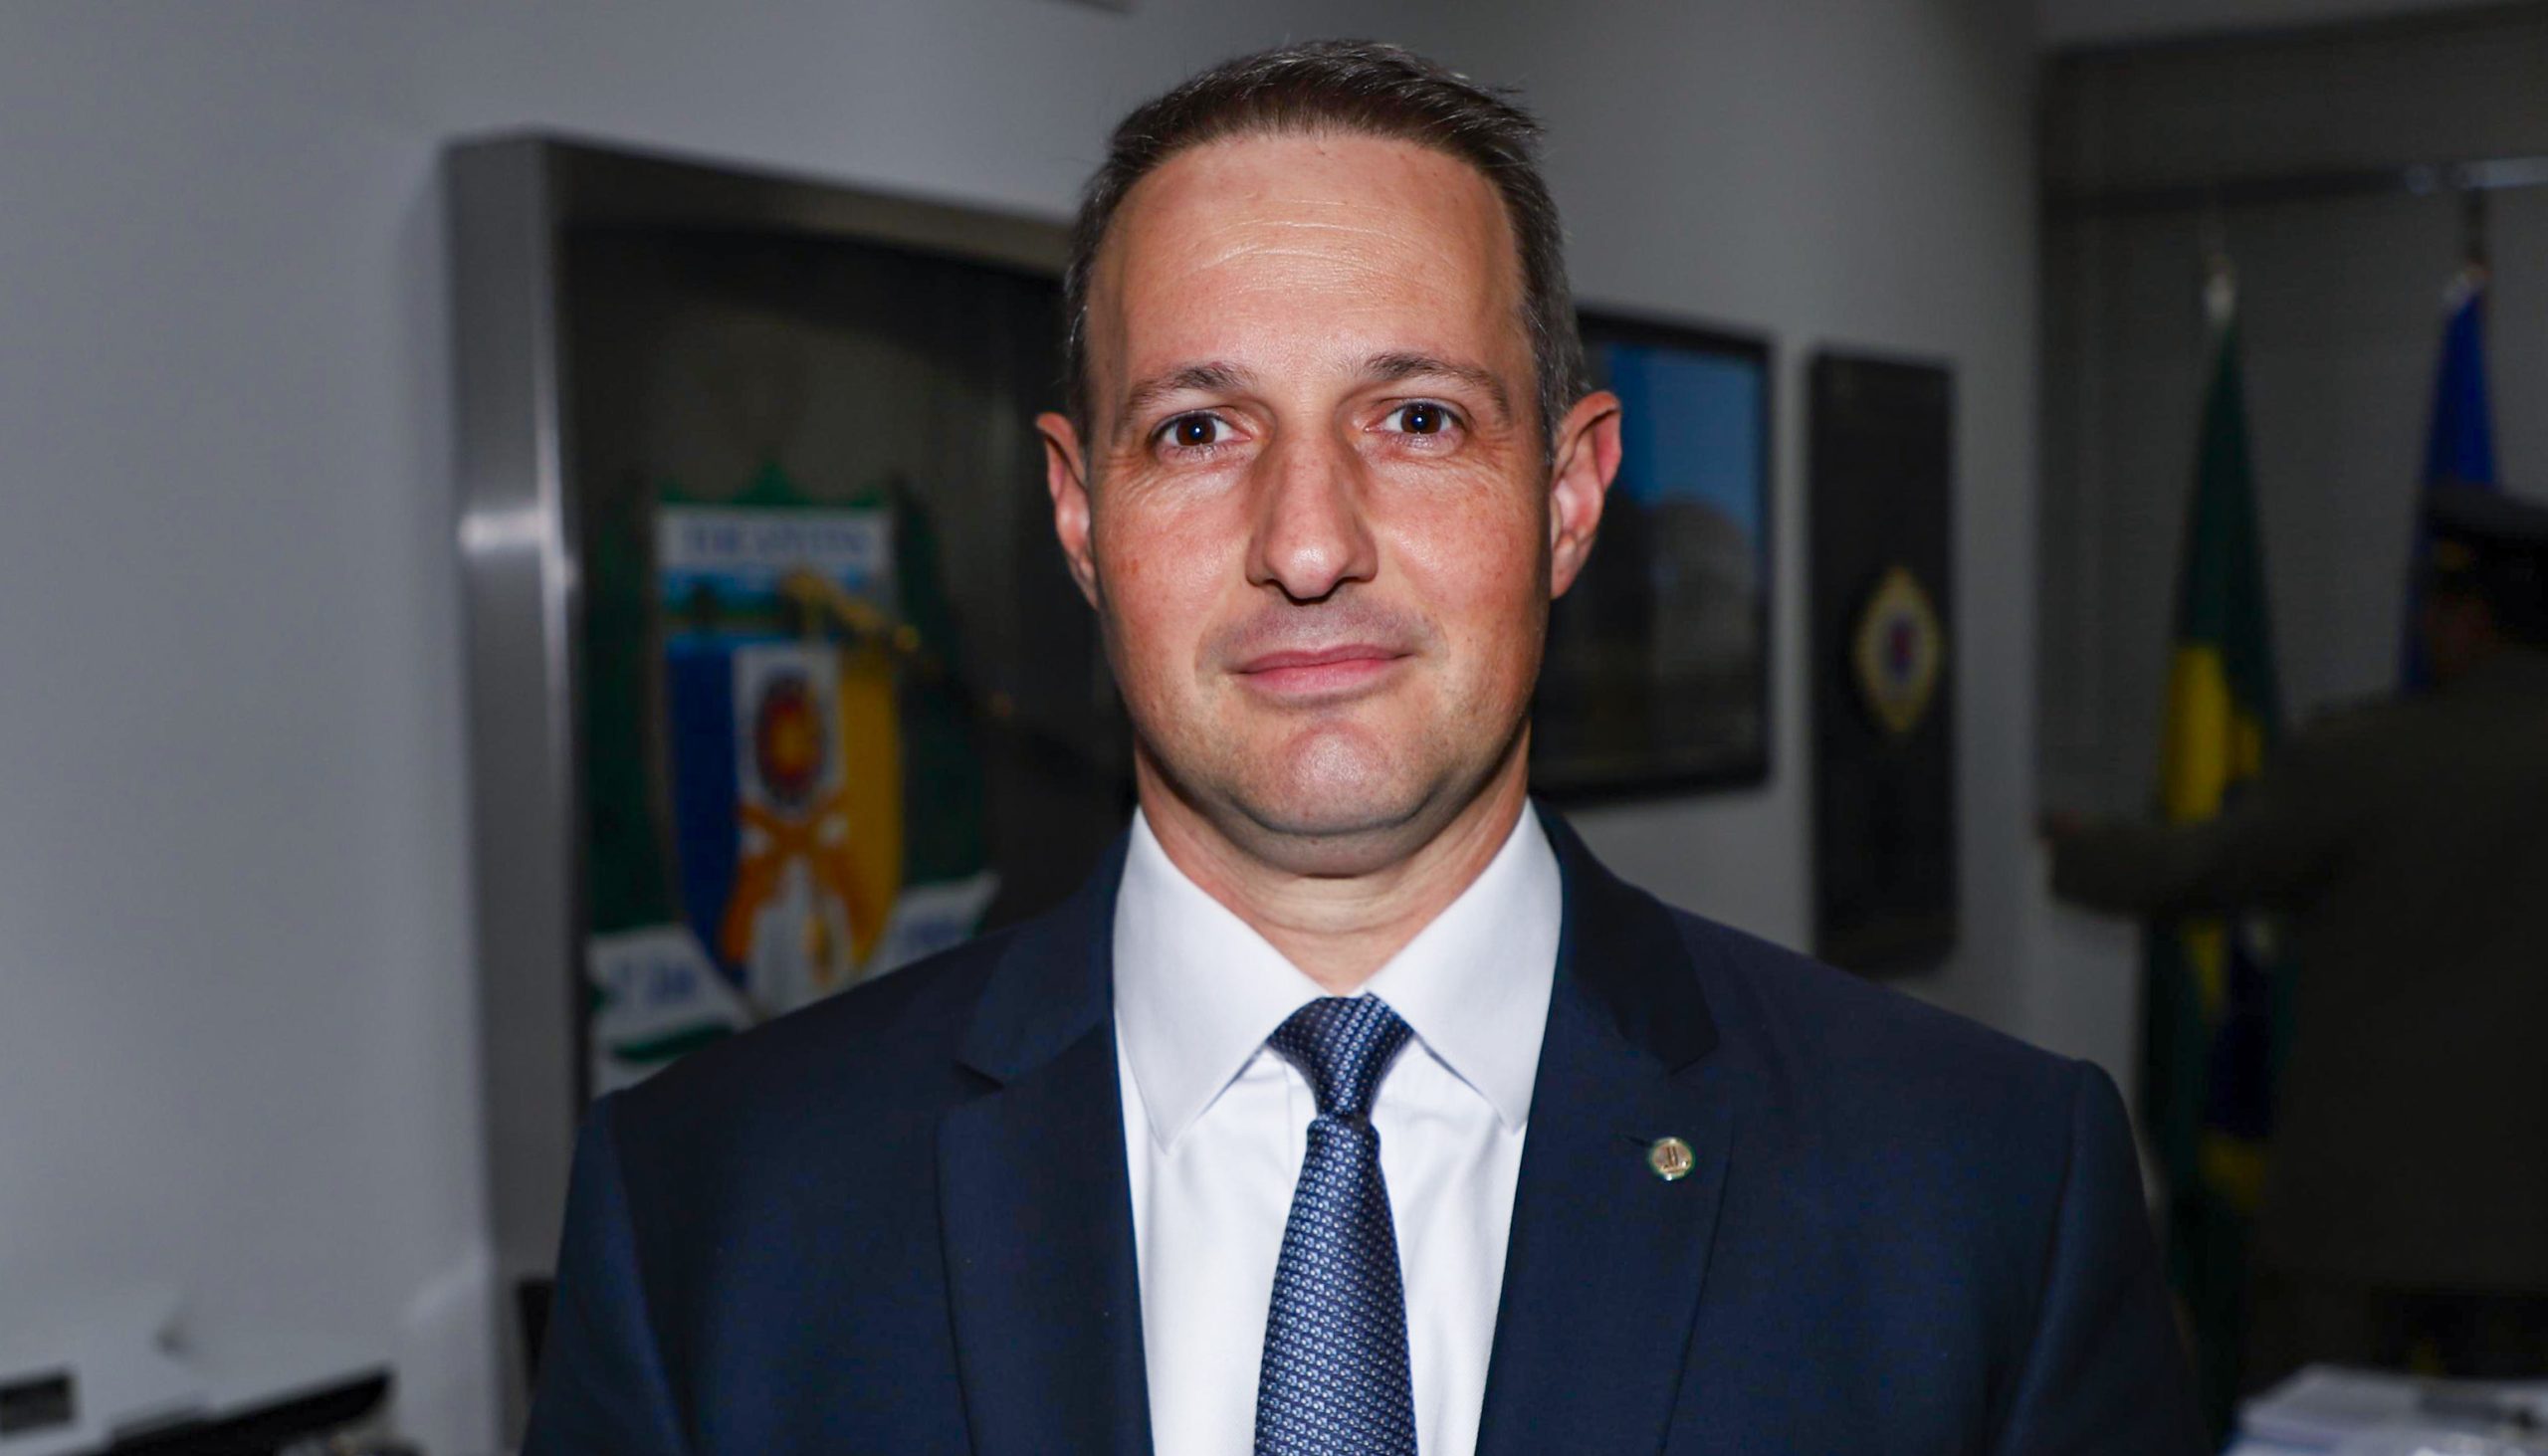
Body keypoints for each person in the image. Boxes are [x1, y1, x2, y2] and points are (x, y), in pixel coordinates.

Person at [526, 41, 2199, 1455]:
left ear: (1570, 493)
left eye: (1416, 418)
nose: (1309, 541)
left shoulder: (1979, 1197)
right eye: (1199, 428)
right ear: (1079, 512)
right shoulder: (709, 1216)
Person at [2047, 484, 2548, 1384]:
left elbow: (2197, 869)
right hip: (2527, 1226)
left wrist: (2070, 849)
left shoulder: (2371, 756)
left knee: (2317, 1432)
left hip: (2362, 1215)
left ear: (2467, 619)